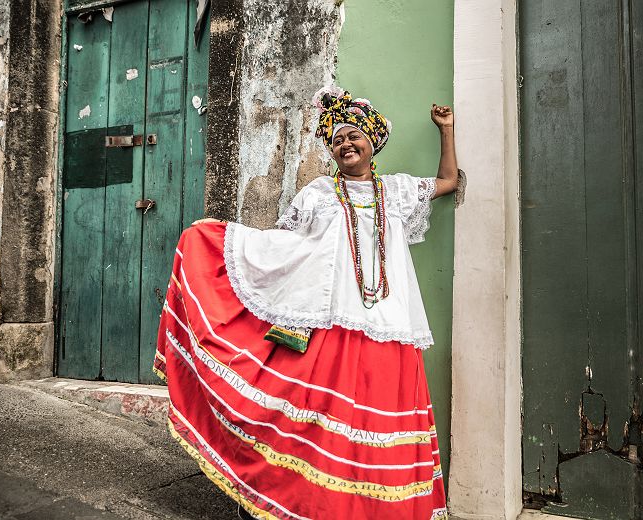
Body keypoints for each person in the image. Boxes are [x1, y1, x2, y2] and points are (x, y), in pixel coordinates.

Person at [154, 86, 458, 520]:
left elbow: (448, 181)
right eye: (336, 140)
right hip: (328, 325)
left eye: (354, 135)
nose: (345, 144)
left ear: (373, 142)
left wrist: (445, 131)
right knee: (311, 421)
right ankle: (294, 502)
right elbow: (287, 247)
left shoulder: (398, 191)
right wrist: (225, 240)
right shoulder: (317, 194)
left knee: (374, 428)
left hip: (388, 325)